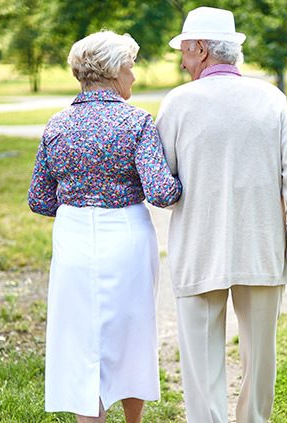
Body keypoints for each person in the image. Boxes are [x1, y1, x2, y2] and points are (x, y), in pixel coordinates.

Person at [155, 7, 287, 423]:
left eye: (185, 52)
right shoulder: (271, 99)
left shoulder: (177, 103)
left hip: (198, 249)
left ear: (201, 49)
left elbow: (164, 190)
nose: (183, 63)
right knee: (260, 360)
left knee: (201, 365)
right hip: (260, 248)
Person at [27, 30, 181, 423]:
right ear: (113, 72)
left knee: (79, 340)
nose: (135, 75)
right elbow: (162, 192)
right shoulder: (136, 121)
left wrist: (79, 201)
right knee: (132, 334)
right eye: (130, 66)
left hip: (73, 237)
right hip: (126, 235)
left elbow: (39, 199)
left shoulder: (57, 124)